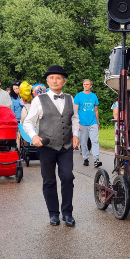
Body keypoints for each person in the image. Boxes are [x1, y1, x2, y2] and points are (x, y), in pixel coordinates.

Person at [23, 65, 80, 227]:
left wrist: (75, 134)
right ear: (47, 81)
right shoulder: (38, 100)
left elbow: (74, 119)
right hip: (46, 146)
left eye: (58, 78)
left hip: (66, 146)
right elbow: (28, 122)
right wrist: (33, 136)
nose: (54, 80)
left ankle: (67, 213)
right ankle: (53, 214)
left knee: (67, 177)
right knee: (49, 181)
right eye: (51, 78)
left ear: (63, 81)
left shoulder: (70, 98)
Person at [74, 79, 102, 168]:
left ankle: (96, 159)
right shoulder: (78, 96)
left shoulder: (94, 96)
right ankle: (86, 158)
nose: (85, 86)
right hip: (82, 123)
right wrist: (76, 123)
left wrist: (98, 122)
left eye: (87, 84)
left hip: (93, 122)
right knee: (83, 142)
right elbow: (75, 111)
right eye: (84, 84)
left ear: (90, 86)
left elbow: (96, 110)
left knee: (95, 141)